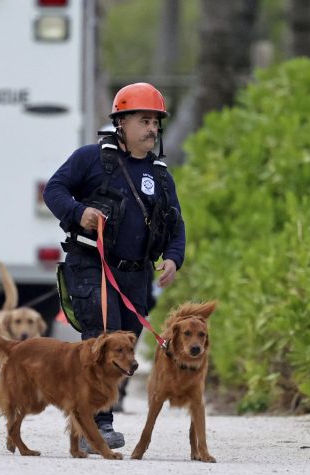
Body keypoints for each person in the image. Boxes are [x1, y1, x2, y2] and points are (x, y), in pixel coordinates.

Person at [43, 83, 186, 450]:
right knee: (102, 342)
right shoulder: (91, 159)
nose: (152, 128)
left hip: (136, 274)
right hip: (92, 266)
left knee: (124, 348)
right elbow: (54, 190)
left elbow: (175, 224)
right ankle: (96, 427)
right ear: (121, 122)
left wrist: (172, 257)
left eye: (156, 121)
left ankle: (92, 422)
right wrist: (80, 212)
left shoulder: (161, 175)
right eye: (144, 120)